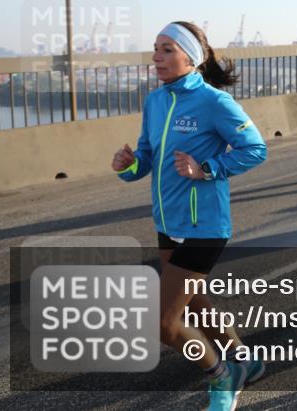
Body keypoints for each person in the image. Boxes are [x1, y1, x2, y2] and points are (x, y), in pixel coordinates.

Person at [111, 21, 268, 411]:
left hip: (205, 227)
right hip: (168, 223)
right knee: (194, 304)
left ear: (190, 57)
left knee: (163, 324)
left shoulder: (214, 102)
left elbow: (254, 148)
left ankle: (221, 375)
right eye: (155, 48)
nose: (156, 57)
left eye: (166, 49)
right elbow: (146, 155)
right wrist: (128, 165)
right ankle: (243, 361)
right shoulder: (156, 101)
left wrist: (206, 169)